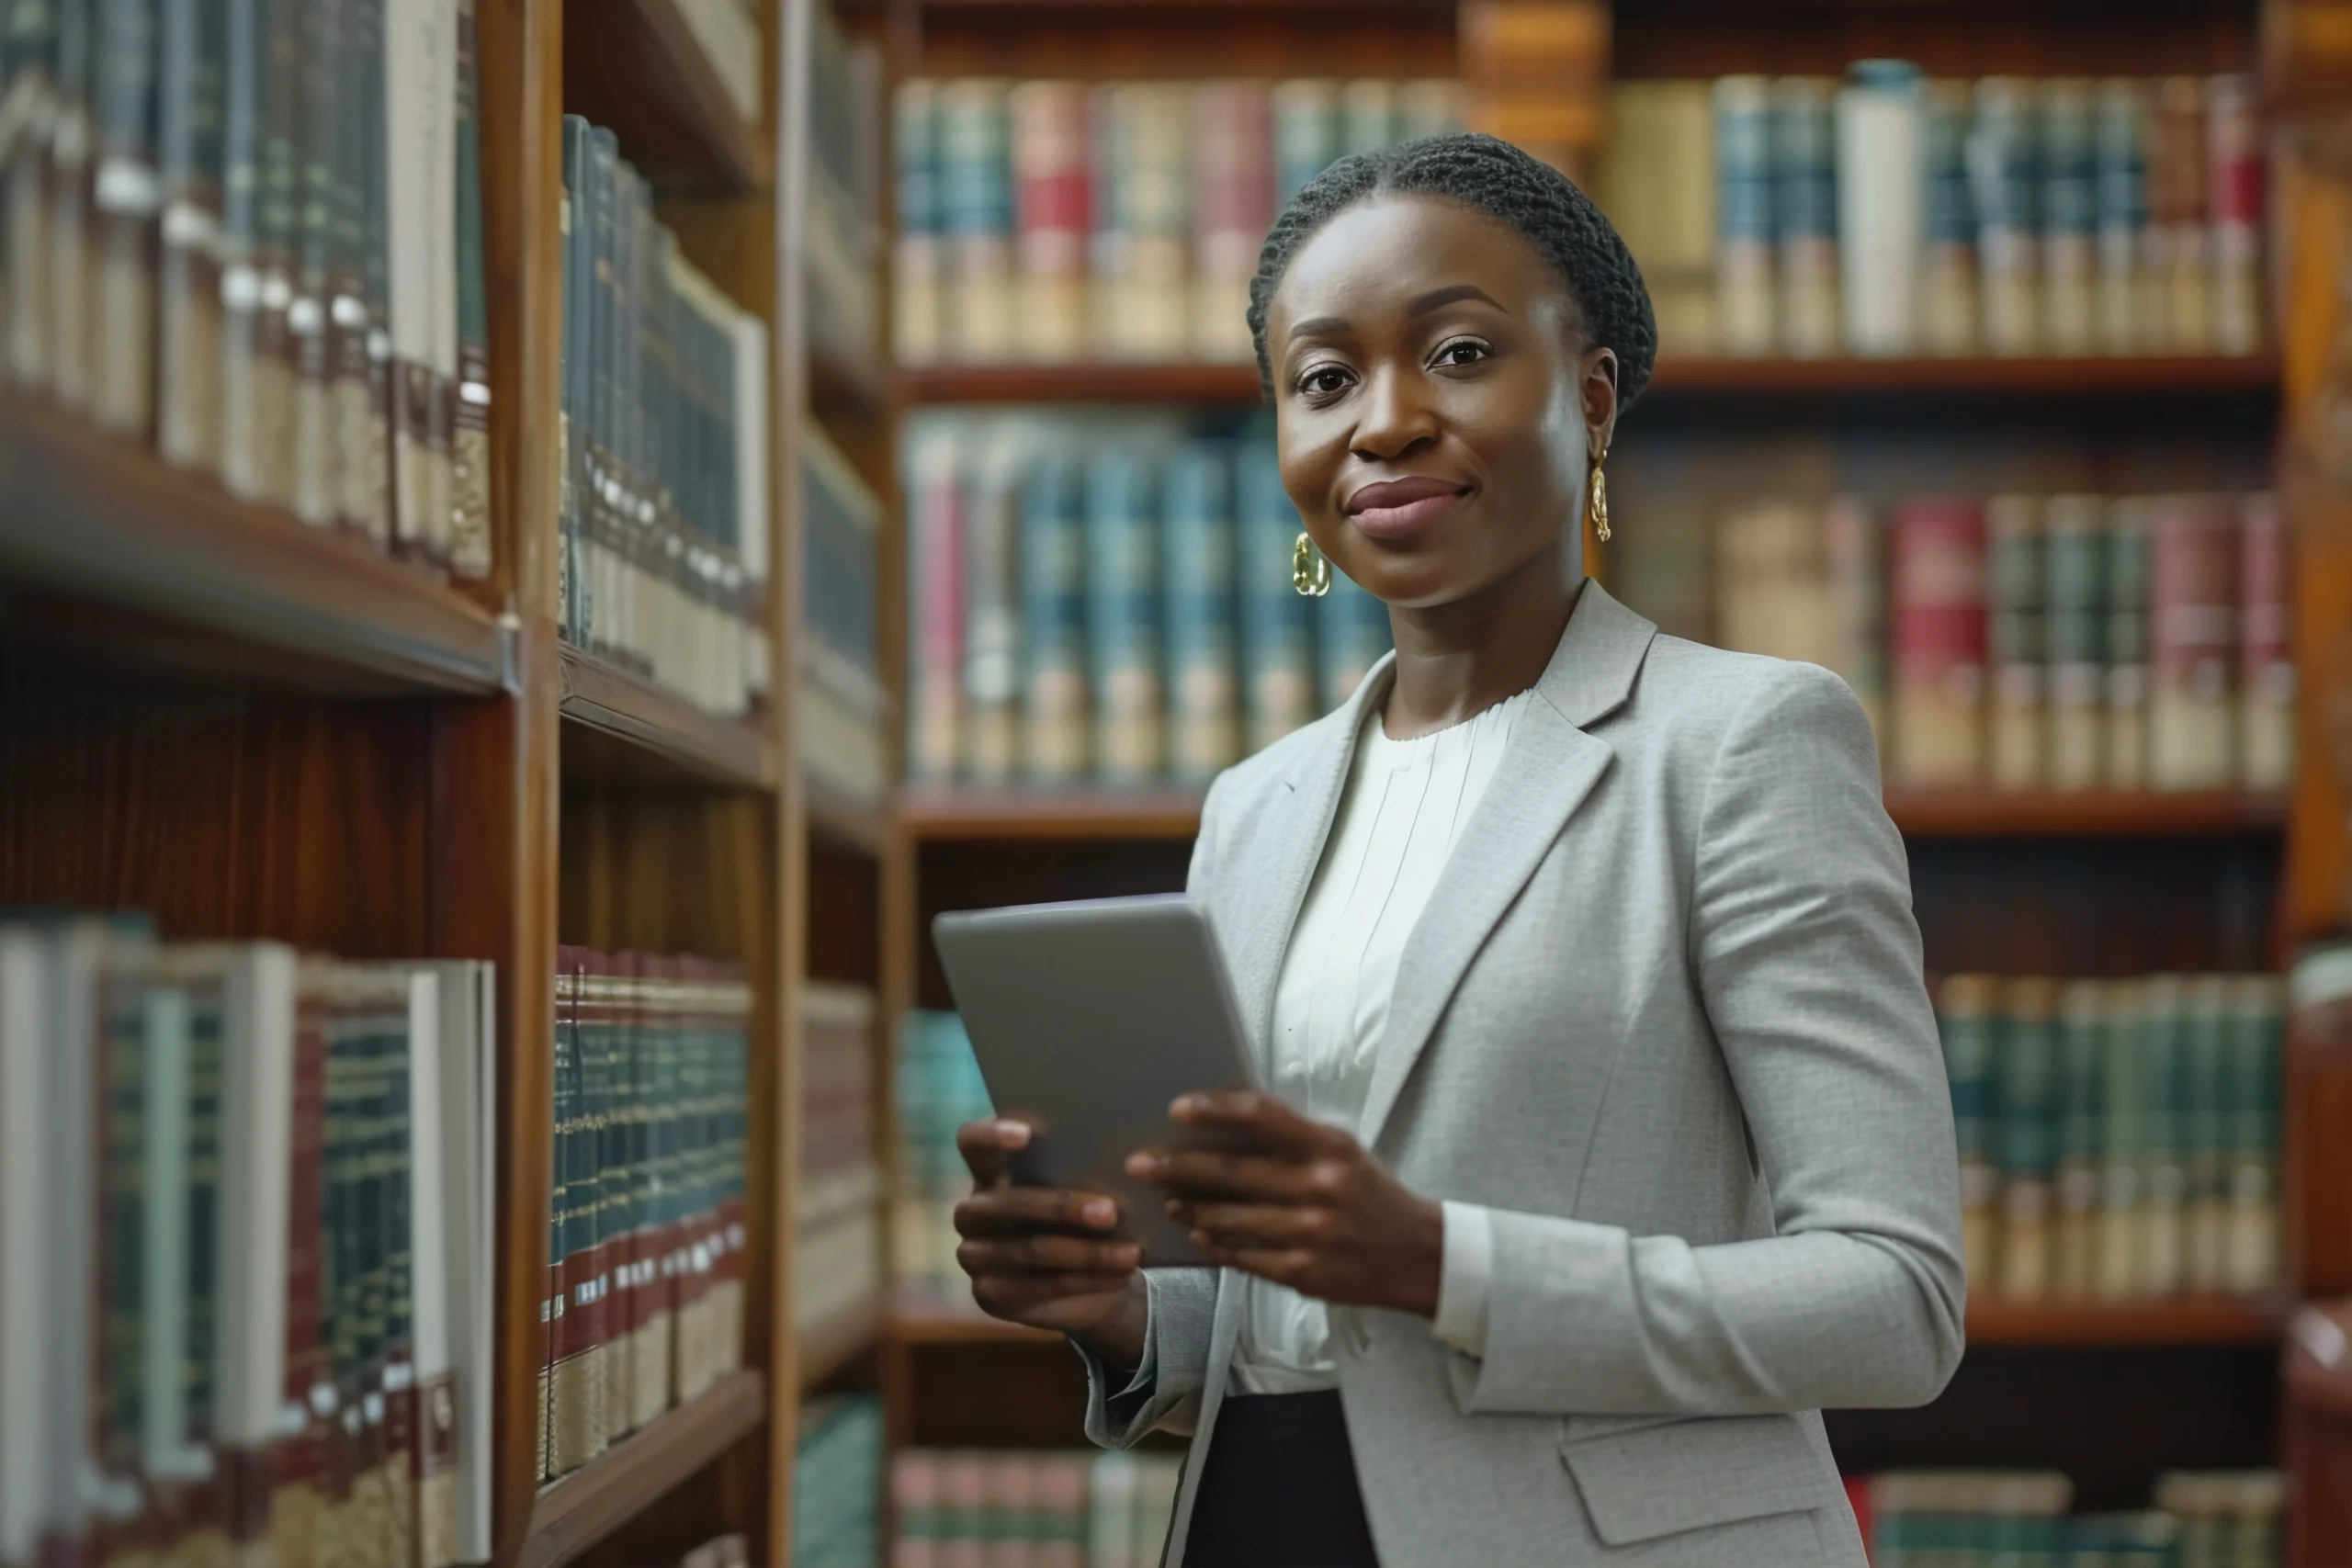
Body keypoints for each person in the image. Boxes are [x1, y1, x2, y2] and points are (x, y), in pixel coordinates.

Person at [948, 132, 1965, 1568]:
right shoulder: (1257, 805)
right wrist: (1116, 1308)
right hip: (1268, 1517)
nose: (1385, 422)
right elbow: (1287, 1320)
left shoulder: (1742, 742)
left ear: (1591, 397)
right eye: (1323, 380)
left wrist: (1441, 1263)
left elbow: (1895, 1297)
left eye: (1461, 354)